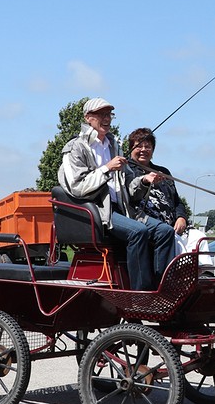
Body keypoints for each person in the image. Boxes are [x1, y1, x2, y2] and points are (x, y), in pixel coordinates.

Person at [58, 98, 175, 291]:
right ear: (88, 118)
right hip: (99, 211)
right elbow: (77, 186)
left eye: (109, 115)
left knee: (165, 231)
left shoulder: (114, 145)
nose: (106, 119)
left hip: (124, 209)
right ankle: (140, 294)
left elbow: (129, 186)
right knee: (138, 232)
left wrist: (144, 181)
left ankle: (161, 287)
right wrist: (107, 168)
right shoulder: (75, 148)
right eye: (101, 114)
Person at [127, 127, 209, 258]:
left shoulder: (163, 172)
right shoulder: (126, 170)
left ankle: (198, 274)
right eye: (138, 146)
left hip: (173, 225)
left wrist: (181, 217)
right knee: (173, 240)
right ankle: (174, 275)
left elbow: (177, 201)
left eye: (147, 146)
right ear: (131, 148)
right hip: (149, 224)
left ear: (153, 150)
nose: (143, 150)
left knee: (200, 237)